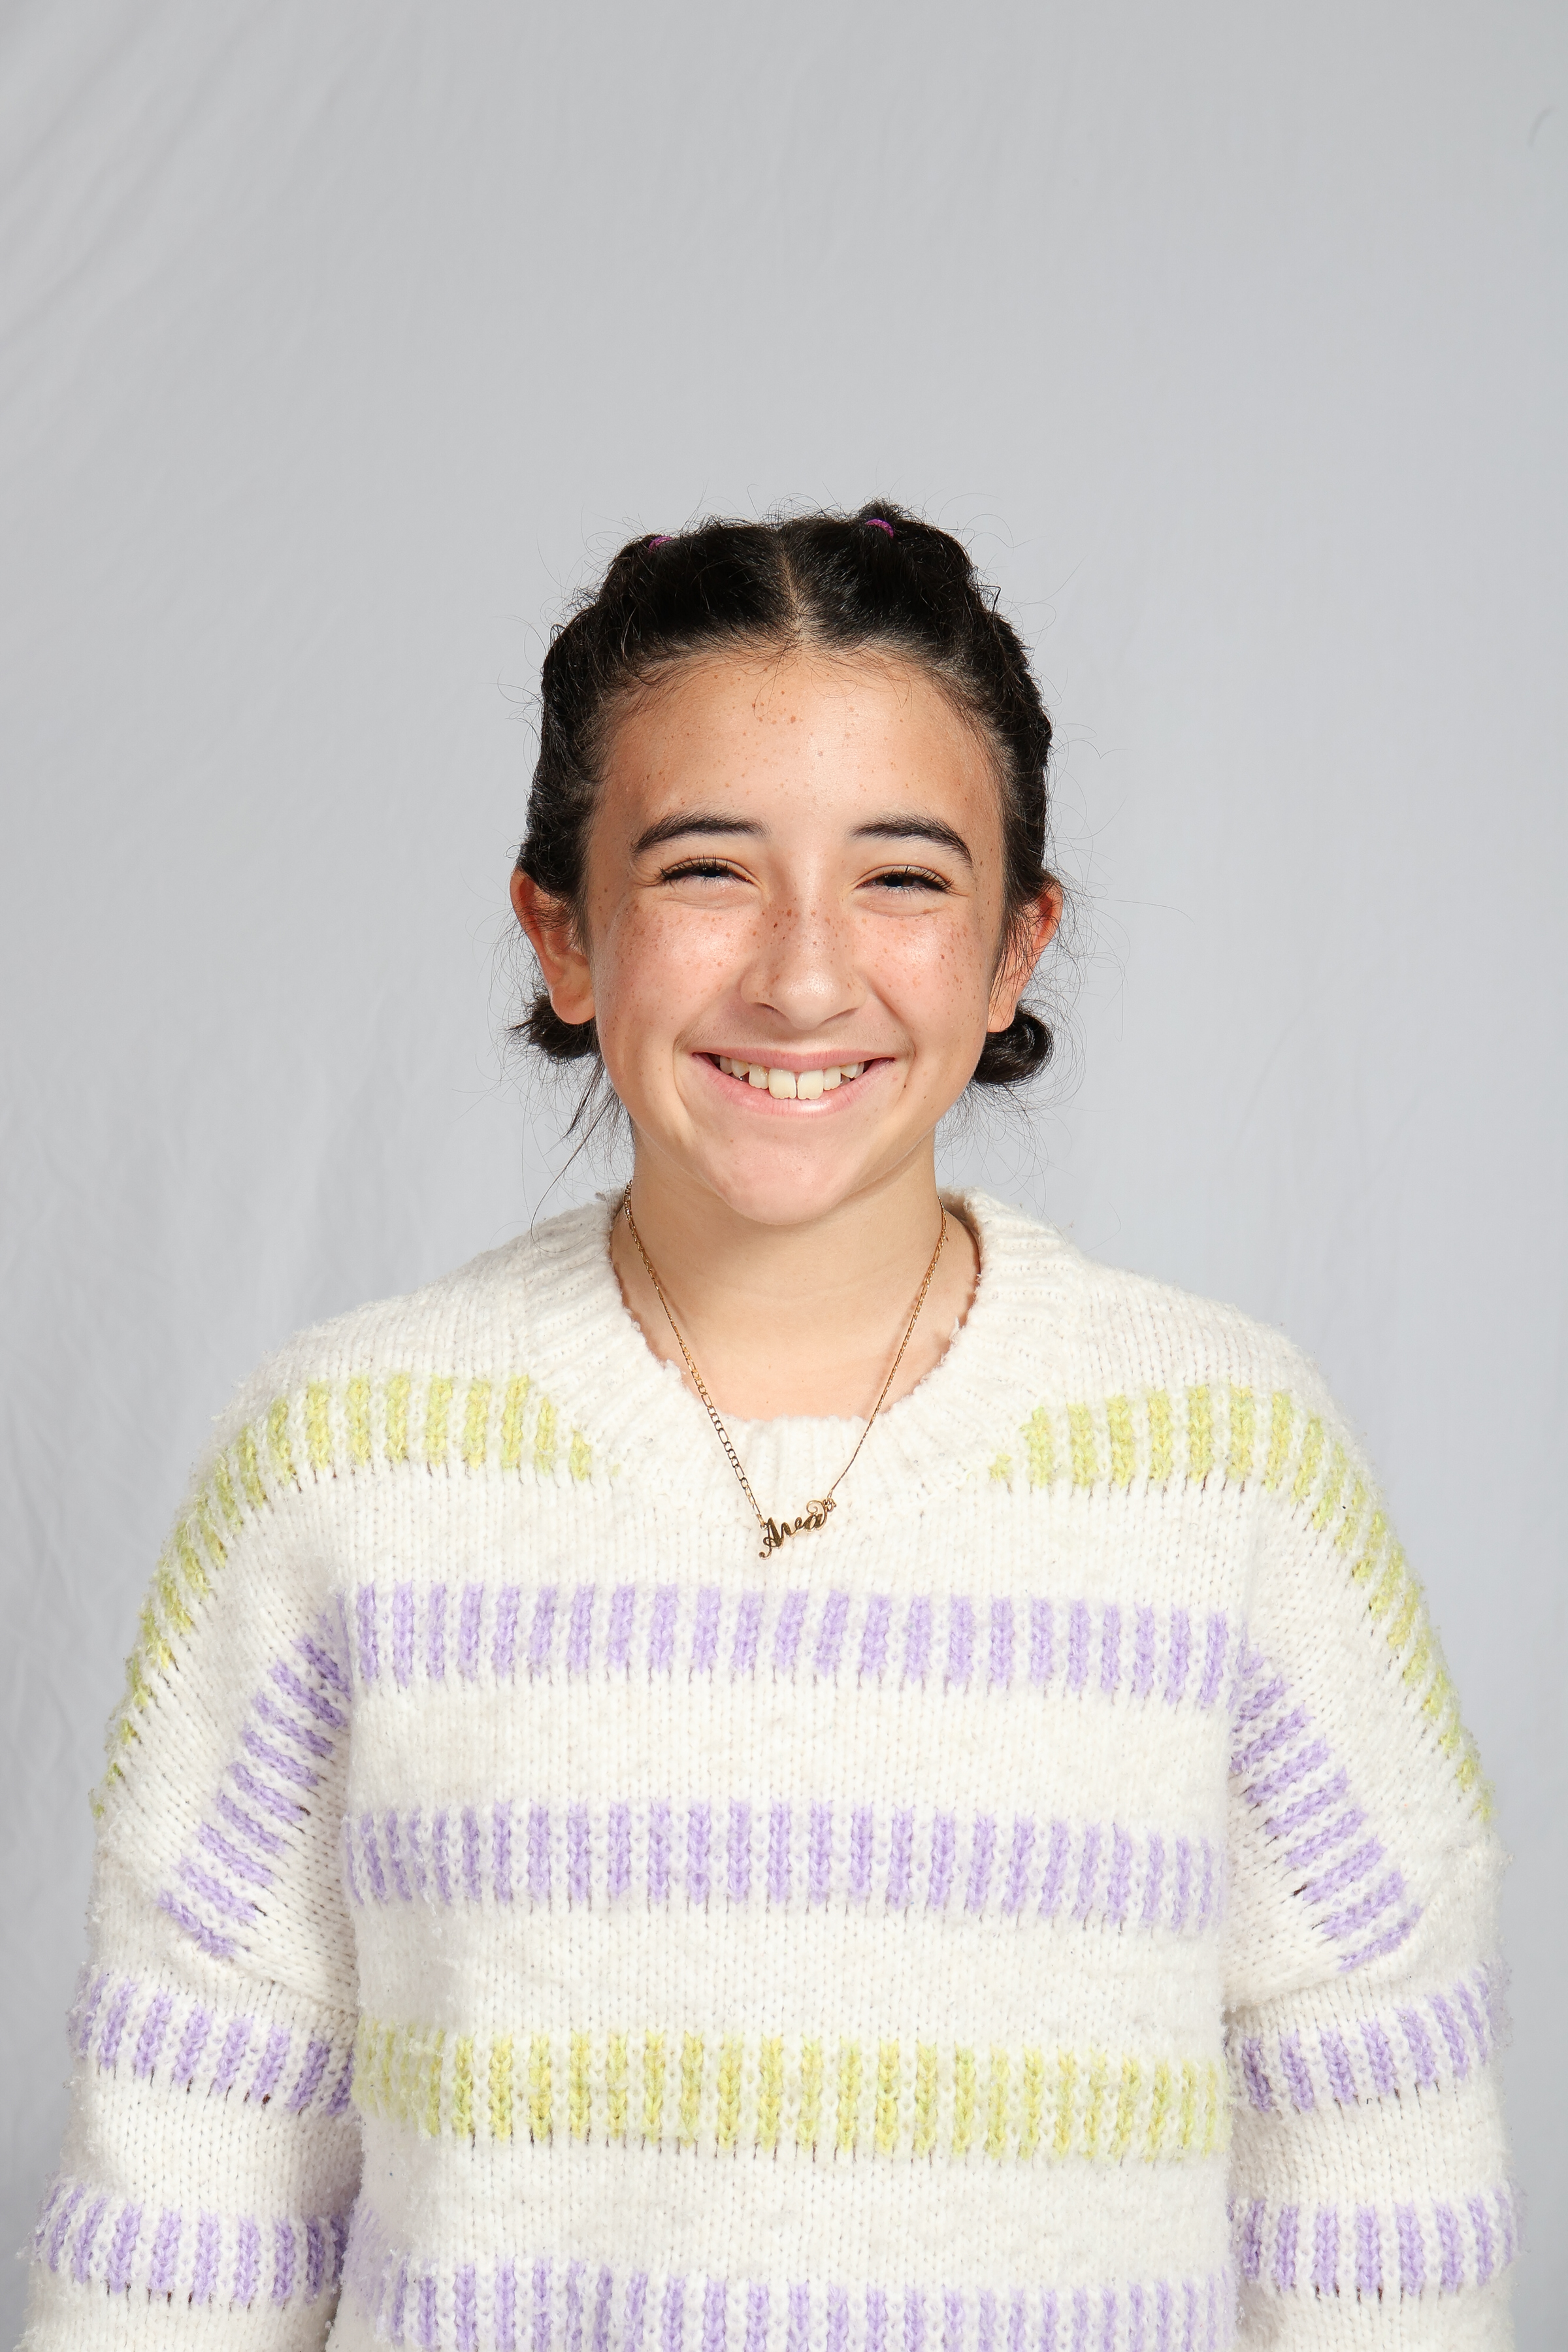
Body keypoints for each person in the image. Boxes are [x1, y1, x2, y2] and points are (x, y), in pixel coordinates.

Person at [24, 508, 1513, 2352]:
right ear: (565, 935)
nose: (805, 976)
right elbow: (188, 2164)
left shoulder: (1230, 1460)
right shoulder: (341, 1459)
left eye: (904, 878)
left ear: (1015, 949)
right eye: (708, 870)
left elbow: (1379, 2134)